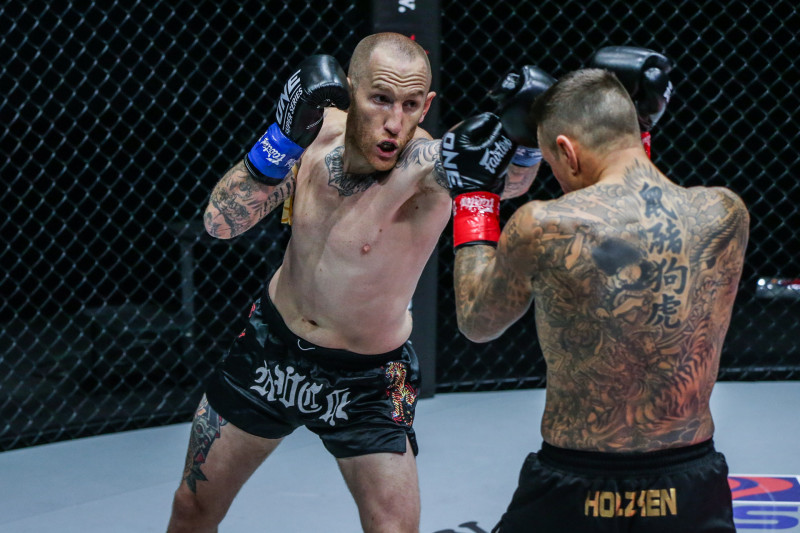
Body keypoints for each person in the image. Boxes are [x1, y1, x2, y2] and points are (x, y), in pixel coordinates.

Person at [166, 32, 543, 533]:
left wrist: (524, 138)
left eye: (411, 105)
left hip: (368, 379)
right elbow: (220, 222)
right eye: (381, 99)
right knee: (191, 509)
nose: (395, 123)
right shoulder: (314, 132)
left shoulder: (427, 165)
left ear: (427, 105)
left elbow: (501, 177)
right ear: (349, 91)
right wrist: (282, 138)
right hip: (270, 350)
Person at [447, 58, 749, 531]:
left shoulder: (543, 224)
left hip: (576, 489)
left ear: (566, 151)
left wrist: (474, 200)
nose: (560, 181)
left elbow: (476, 321)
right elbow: (648, 210)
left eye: (552, 165)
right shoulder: (725, 214)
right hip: (691, 490)